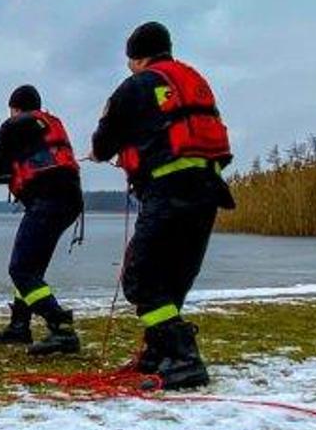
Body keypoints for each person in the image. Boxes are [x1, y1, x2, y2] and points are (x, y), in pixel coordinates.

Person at [89, 21, 235, 390]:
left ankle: (184, 357)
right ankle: (158, 355)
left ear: (137, 58)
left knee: (139, 277)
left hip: (168, 190)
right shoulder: (192, 80)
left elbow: (105, 141)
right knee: (173, 278)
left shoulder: (136, 85)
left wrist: (98, 152)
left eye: (130, 61)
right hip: (208, 190)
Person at [0, 84, 87, 355]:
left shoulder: (14, 125)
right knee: (32, 269)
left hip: (47, 202)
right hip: (69, 201)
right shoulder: (47, 124)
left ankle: (61, 328)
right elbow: (25, 170)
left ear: (14, 108)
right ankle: (20, 327)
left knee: (21, 270)